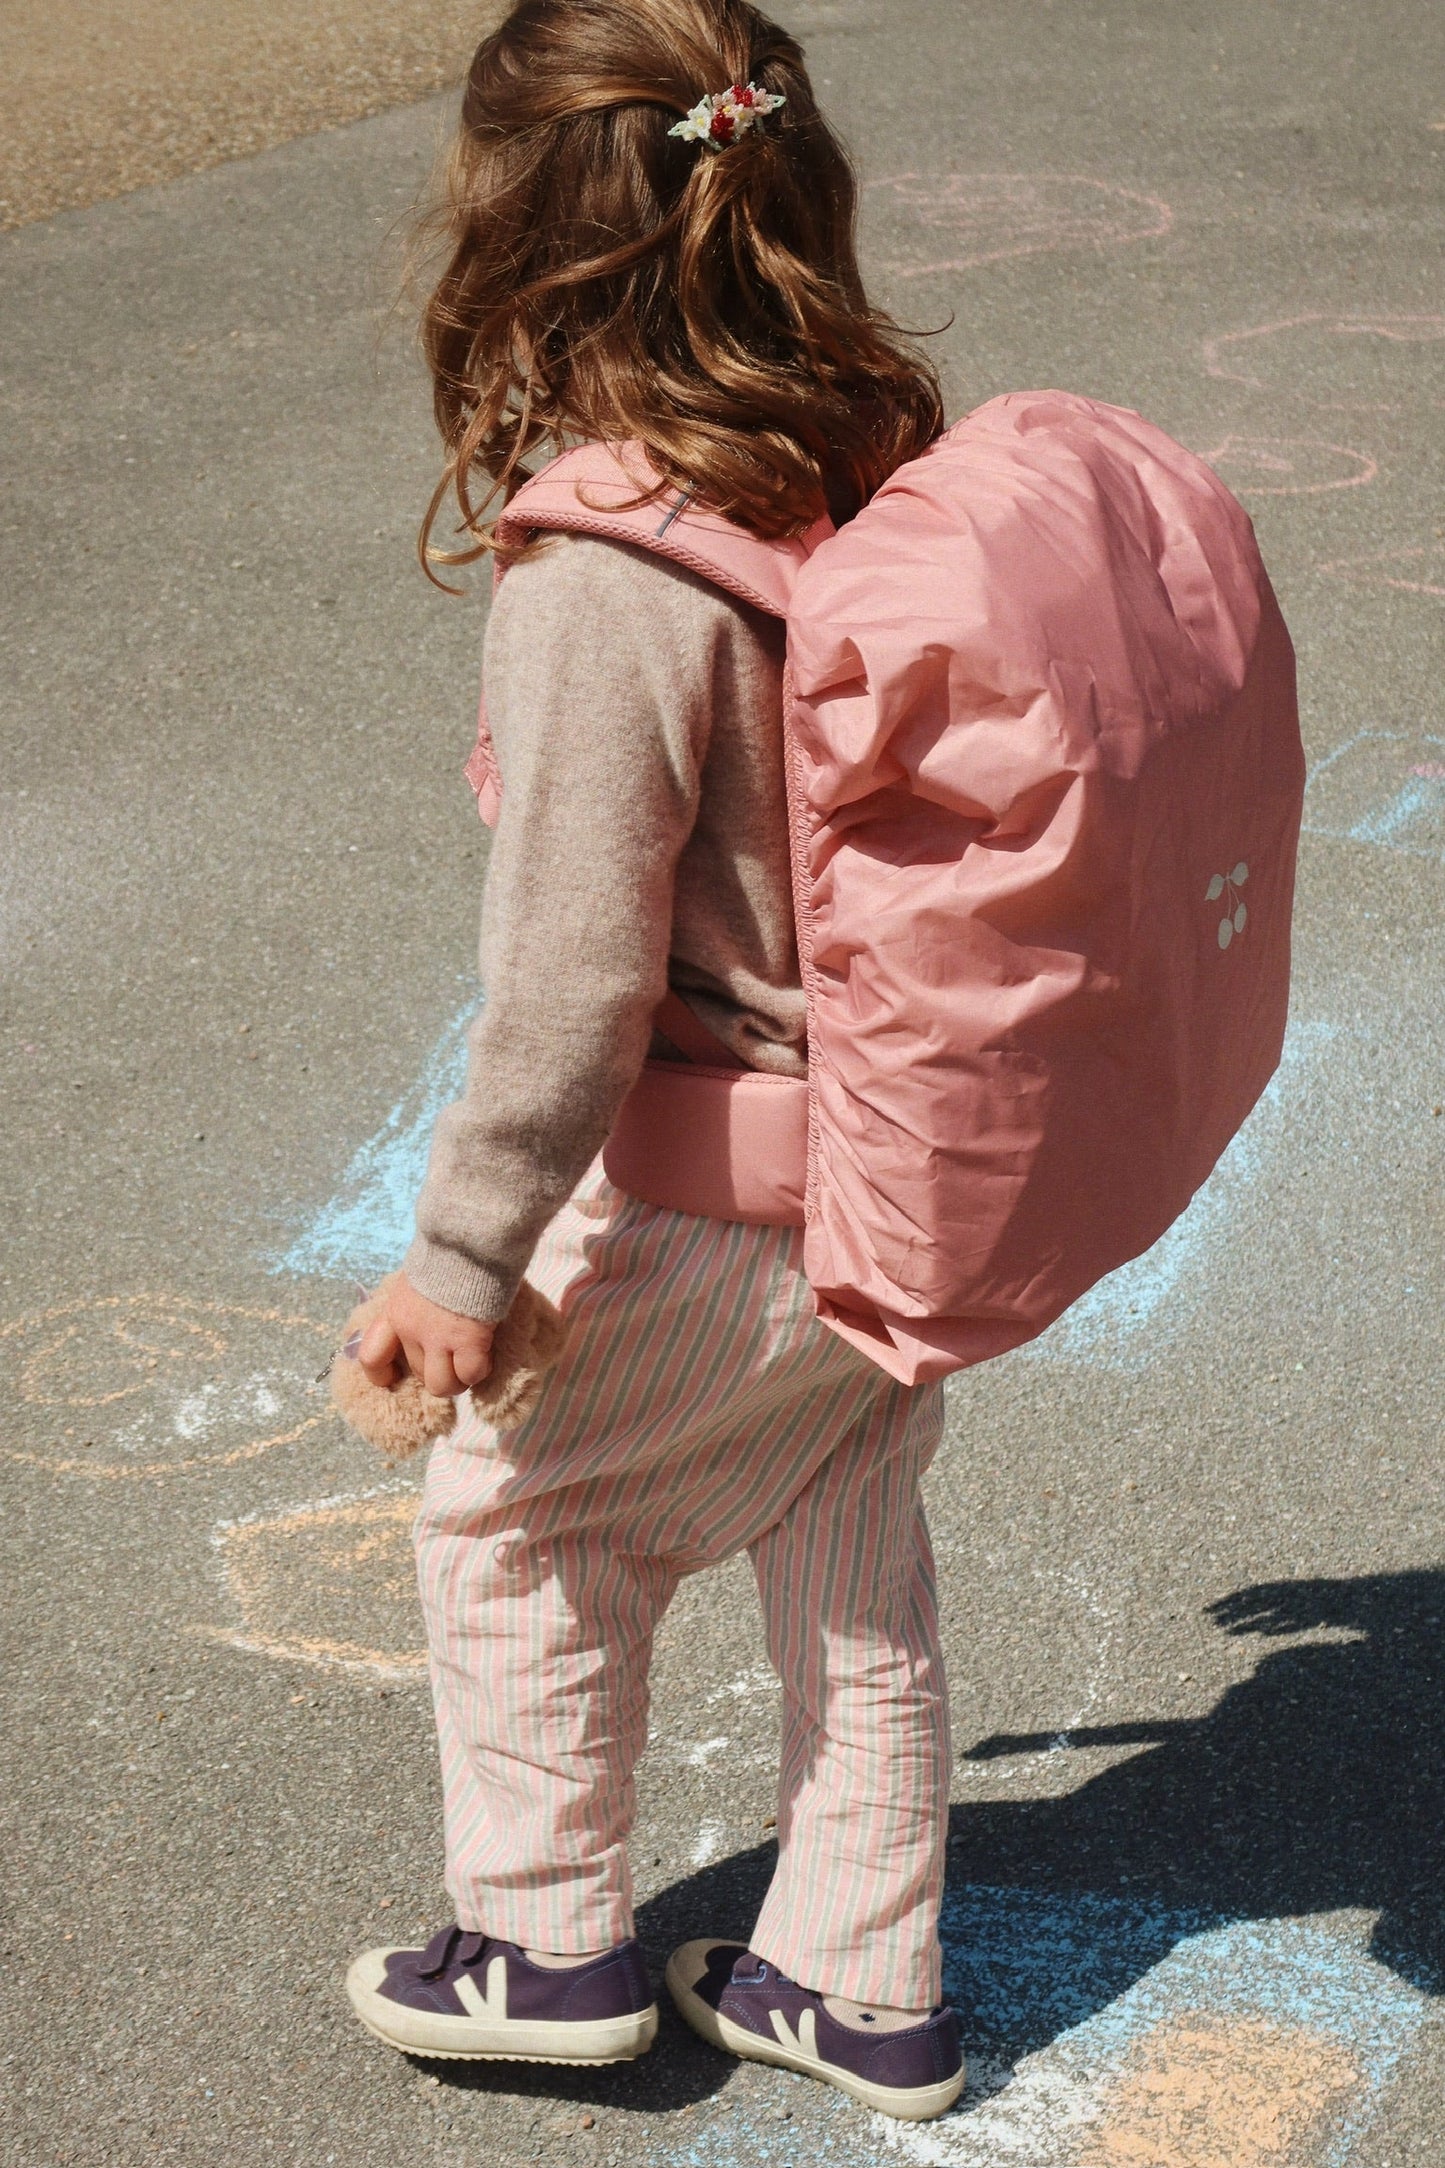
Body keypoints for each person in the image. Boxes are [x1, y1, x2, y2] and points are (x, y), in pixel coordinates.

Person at [345, 0, 964, 2122]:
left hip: (720, 1186)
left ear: (522, 241)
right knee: (844, 1516)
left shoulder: (607, 564)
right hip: (911, 1170)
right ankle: (860, 1974)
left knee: (526, 1516)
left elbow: (570, 979)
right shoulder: (864, 462)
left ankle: (536, 1940)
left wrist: (462, 1251)